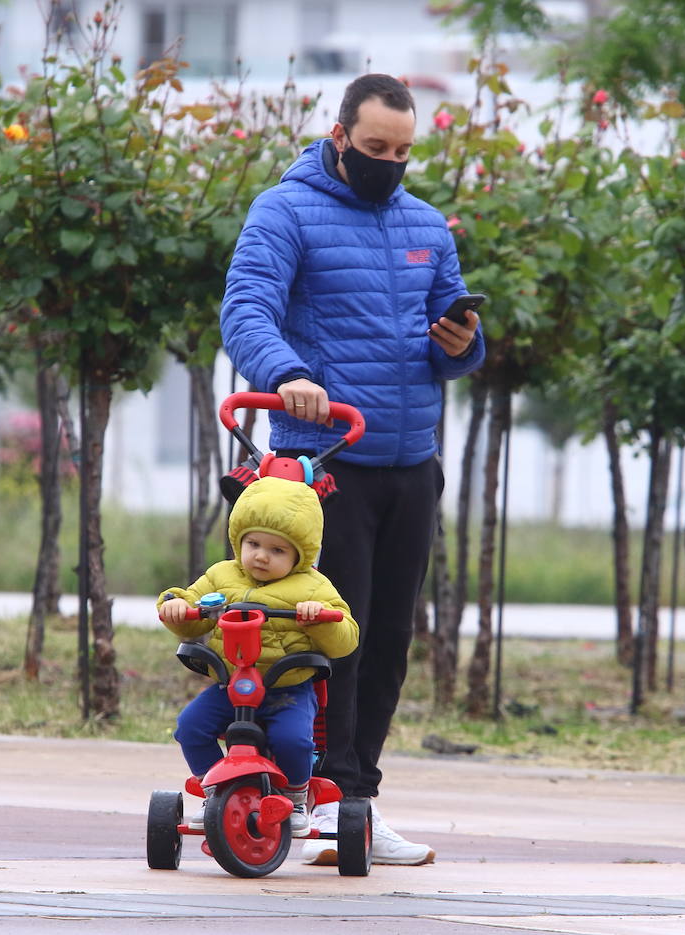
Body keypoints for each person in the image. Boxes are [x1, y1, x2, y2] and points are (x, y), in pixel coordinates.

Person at [219, 73, 485, 865]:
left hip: (412, 460)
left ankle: (356, 802)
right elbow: (246, 307)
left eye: (403, 151)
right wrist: (286, 370)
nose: (390, 162)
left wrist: (463, 342)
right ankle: (306, 795)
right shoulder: (285, 210)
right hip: (324, 462)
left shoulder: (427, 223)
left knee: (393, 635)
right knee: (328, 635)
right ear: (340, 137)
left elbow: (458, 338)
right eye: (375, 148)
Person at [158, 475, 359, 836]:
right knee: (190, 727)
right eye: (253, 543)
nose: (262, 556)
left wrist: (318, 619)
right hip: (230, 684)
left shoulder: (313, 586)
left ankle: (296, 796)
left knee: (294, 740)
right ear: (238, 540)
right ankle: (214, 790)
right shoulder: (221, 575)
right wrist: (177, 608)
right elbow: (192, 609)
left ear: (301, 555)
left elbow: (345, 638)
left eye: (277, 550)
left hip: (287, 689)